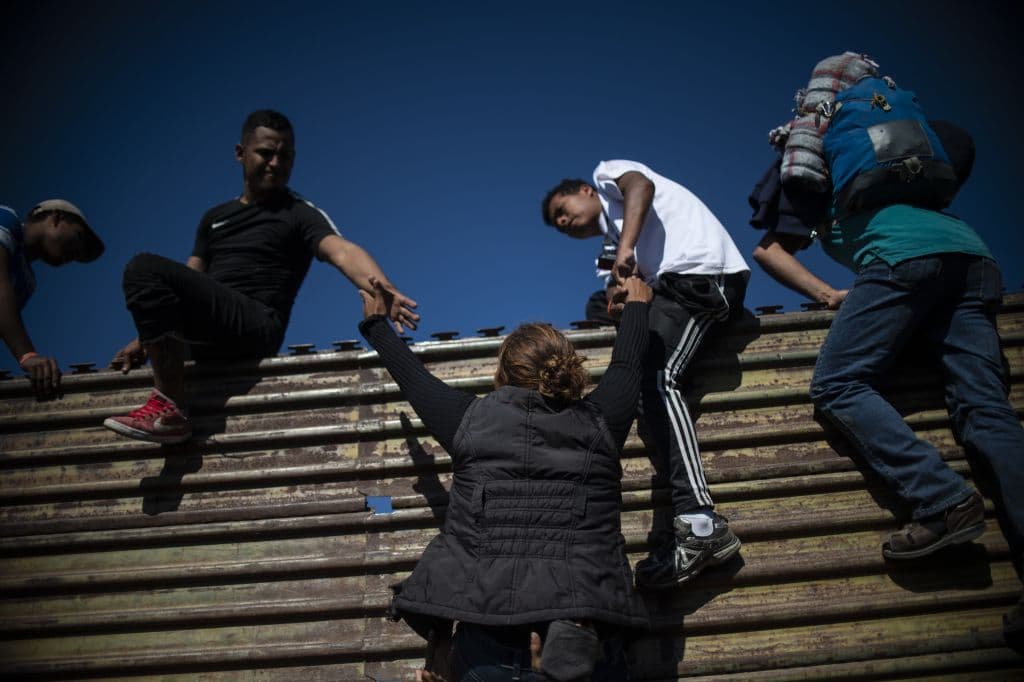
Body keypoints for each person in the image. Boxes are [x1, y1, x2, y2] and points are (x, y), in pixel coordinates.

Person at [749, 124, 1024, 639]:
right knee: (988, 413)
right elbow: (961, 143)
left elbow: (770, 250)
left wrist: (830, 294)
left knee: (837, 384)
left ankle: (944, 500)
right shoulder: (891, 150)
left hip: (901, 260)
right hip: (974, 257)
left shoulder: (805, 160)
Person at [360, 275, 653, 680]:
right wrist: (637, 304)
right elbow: (627, 363)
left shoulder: (468, 420)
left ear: (503, 375)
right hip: (582, 639)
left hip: (486, 648)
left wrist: (376, 324)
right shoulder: (602, 422)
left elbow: (412, 376)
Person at [104, 110, 418, 444]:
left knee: (143, 267)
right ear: (240, 153)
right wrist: (146, 339)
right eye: (266, 153)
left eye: (285, 156)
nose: (275, 163)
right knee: (147, 274)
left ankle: (168, 408)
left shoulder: (298, 212)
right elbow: (189, 276)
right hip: (209, 327)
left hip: (256, 323)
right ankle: (169, 404)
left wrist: (382, 285)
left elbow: (341, 251)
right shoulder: (214, 218)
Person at [541, 160, 750, 589]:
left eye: (562, 210)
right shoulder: (610, 242)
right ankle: (683, 525)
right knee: (643, 390)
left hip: (698, 275)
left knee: (659, 379)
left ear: (584, 189)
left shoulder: (608, 176)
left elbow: (641, 184)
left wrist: (626, 251)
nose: (563, 222)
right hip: (672, 288)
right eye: (558, 226)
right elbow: (616, 287)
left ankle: (701, 525)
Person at [0, 200, 105, 400]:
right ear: (56, 217)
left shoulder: (26, 281)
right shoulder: (6, 218)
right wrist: (28, 355)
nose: (78, 253)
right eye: (79, 237)